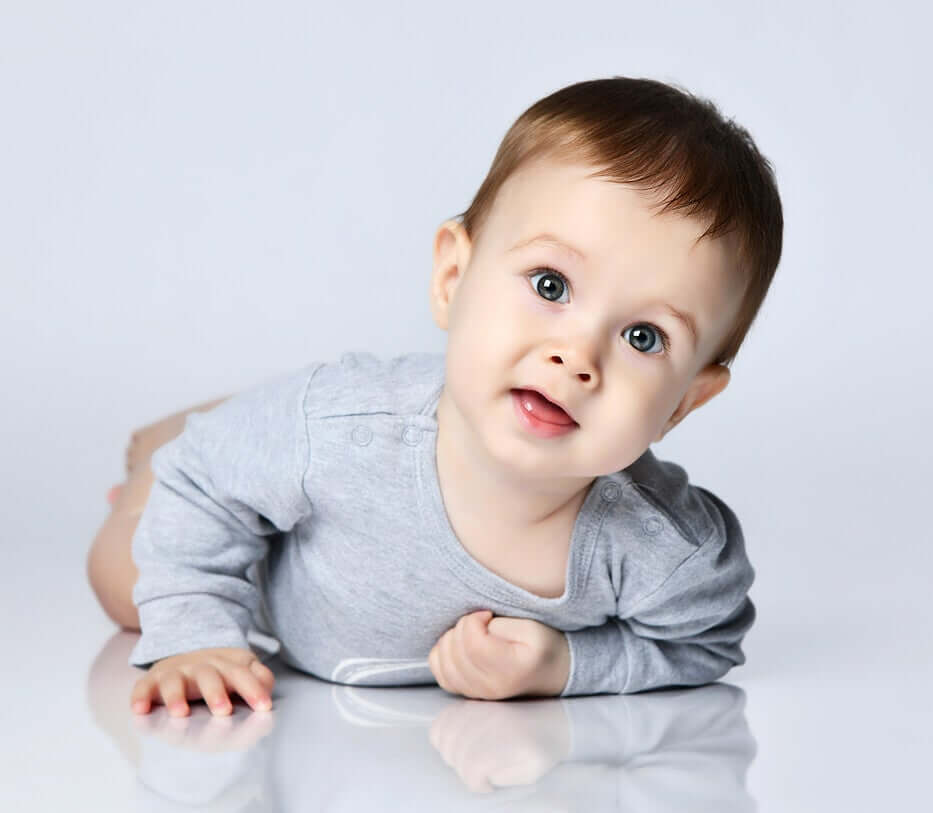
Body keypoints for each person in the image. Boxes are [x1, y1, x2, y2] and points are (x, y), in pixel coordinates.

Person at [85, 76, 784, 718]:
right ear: (454, 276)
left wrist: (566, 664)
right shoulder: (346, 434)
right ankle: (171, 440)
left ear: (686, 400)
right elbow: (202, 481)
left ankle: (235, 423)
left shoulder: (665, 553)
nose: (577, 358)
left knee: (259, 440)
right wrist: (196, 637)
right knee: (126, 574)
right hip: (267, 546)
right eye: (550, 285)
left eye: (642, 335)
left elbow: (707, 641)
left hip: (302, 445)